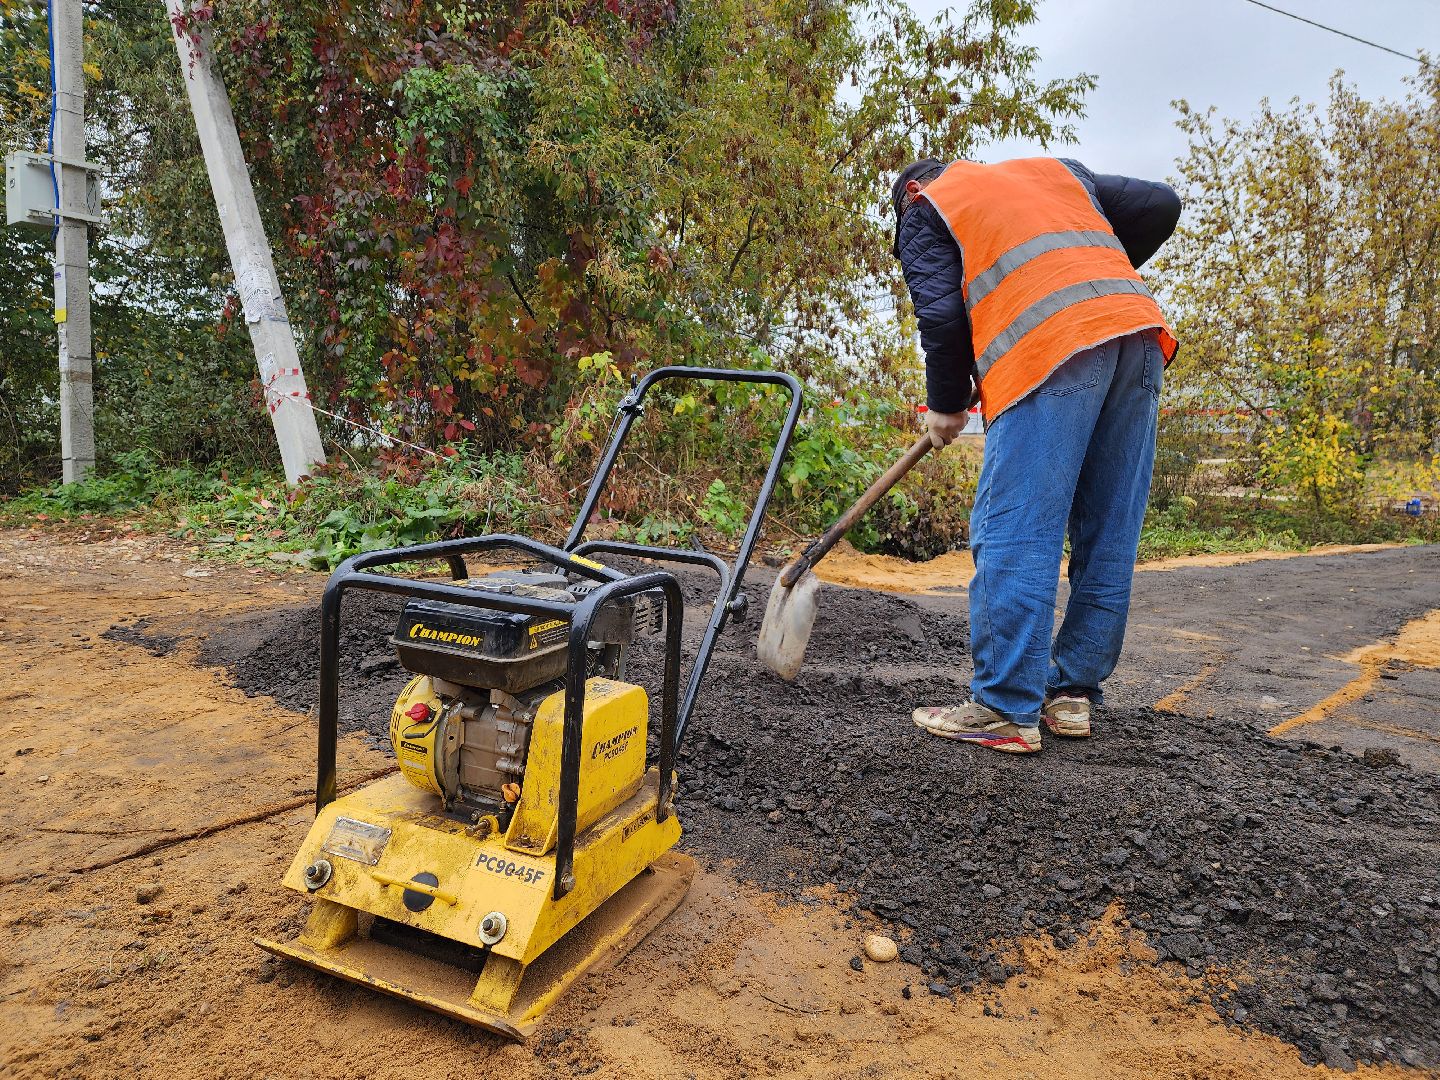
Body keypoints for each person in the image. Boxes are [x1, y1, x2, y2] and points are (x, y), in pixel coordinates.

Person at [892, 155, 1182, 753]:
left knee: (1016, 528)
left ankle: (1003, 706)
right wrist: (1089, 283)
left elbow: (943, 316)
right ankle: (1072, 694)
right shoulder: (1056, 173)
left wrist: (946, 404)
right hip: (1136, 332)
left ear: (912, 190)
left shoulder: (924, 202)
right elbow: (1161, 204)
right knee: (1108, 529)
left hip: (1053, 348)